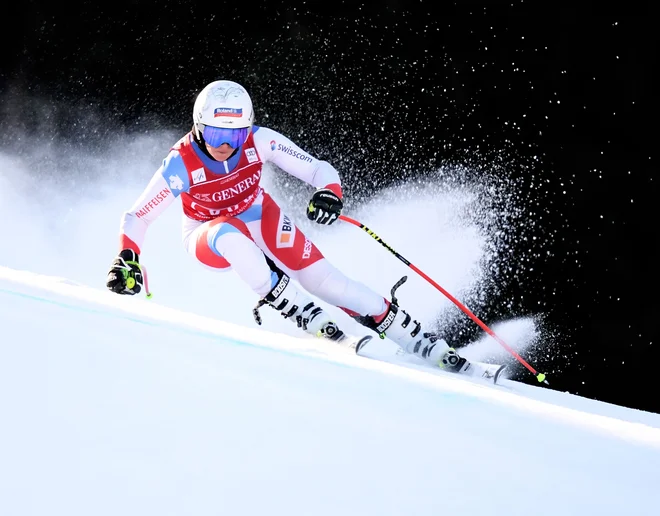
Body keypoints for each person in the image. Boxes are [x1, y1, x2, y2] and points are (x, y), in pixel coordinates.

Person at [105, 79, 467, 372]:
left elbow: (316, 168)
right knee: (230, 236)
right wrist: (127, 258)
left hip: (259, 213)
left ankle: (416, 338)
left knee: (326, 280)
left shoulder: (260, 140)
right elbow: (139, 215)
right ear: (198, 129)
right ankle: (300, 311)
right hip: (207, 232)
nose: (226, 147)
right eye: (216, 136)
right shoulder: (180, 163)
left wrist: (330, 191)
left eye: (235, 136)